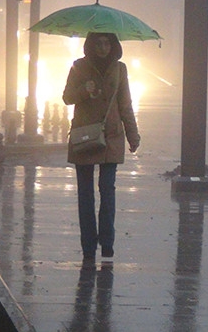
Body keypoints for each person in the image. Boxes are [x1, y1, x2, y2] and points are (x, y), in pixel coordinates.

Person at [62, 32, 140, 264]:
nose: (103, 47)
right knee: (85, 194)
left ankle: (107, 244)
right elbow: (67, 97)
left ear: (114, 45)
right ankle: (88, 246)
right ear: (90, 45)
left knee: (107, 190)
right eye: (99, 43)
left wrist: (132, 133)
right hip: (85, 136)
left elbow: (125, 104)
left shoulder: (120, 69)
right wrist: (84, 90)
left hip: (112, 136)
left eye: (107, 43)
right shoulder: (78, 67)